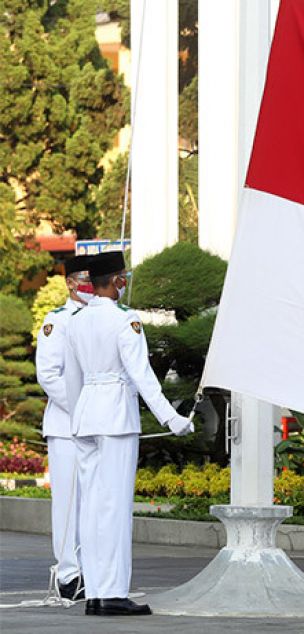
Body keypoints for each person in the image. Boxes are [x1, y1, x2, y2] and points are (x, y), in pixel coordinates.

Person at [64, 251, 194, 616]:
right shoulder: (126, 320)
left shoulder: (76, 321)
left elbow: (72, 377)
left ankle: (95, 593)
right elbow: (142, 375)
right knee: (115, 508)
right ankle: (113, 593)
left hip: (86, 417)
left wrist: (78, 418)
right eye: (123, 277)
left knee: (91, 508)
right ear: (117, 280)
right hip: (116, 419)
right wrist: (172, 419)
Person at [35, 255, 93, 600]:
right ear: (70, 282)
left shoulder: (103, 318)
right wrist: (83, 407)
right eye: (85, 279)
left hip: (99, 425)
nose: (90, 285)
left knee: (94, 502)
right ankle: (69, 575)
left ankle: (93, 569)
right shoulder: (57, 322)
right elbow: (49, 375)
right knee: (69, 502)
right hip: (66, 425)